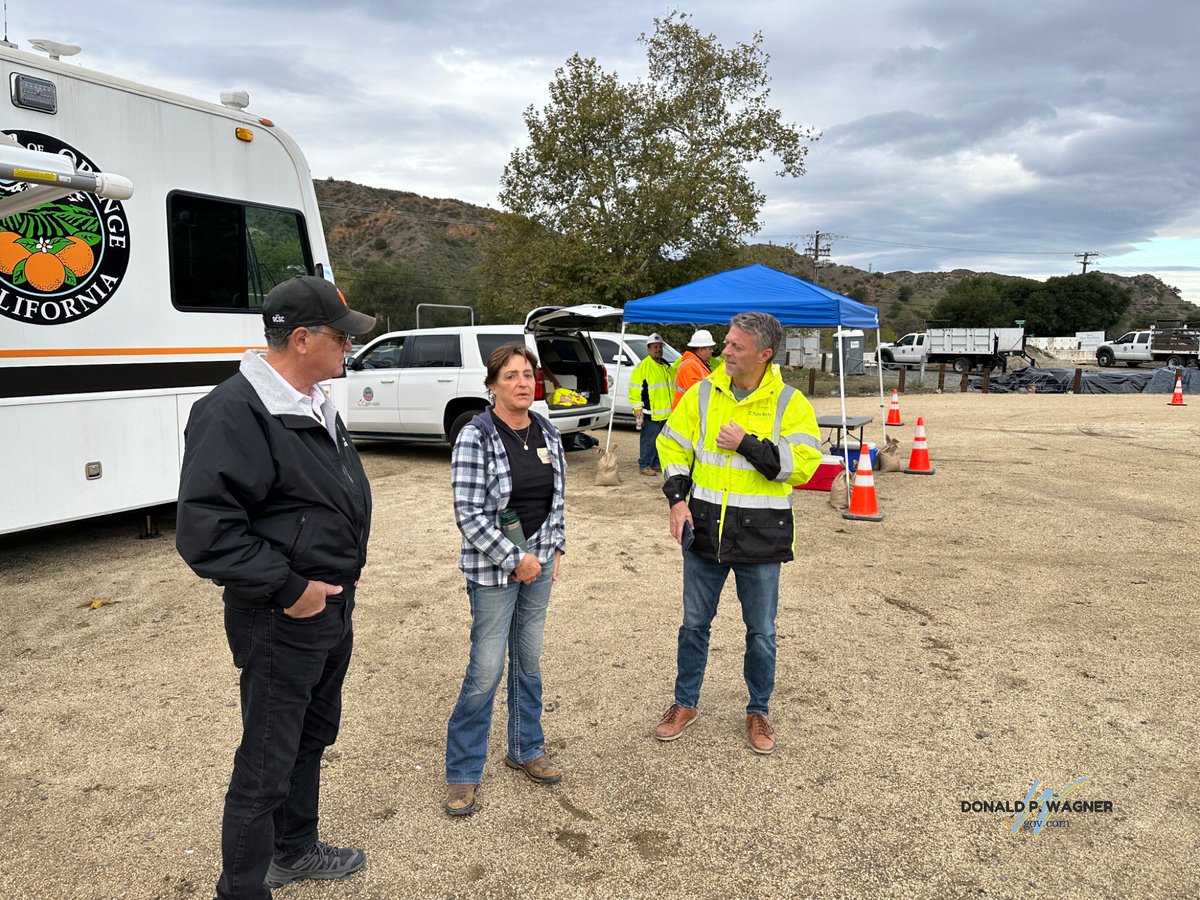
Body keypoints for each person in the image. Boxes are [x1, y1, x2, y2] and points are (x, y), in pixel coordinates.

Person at [176, 275, 375, 900]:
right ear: (302, 338)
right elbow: (207, 532)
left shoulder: (312, 400)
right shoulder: (234, 410)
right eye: (341, 337)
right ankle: (241, 889)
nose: (349, 347)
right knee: (265, 762)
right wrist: (291, 588)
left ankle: (294, 850)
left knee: (311, 736)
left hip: (329, 606)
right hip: (281, 615)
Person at [654, 312, 823, 755]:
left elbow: (804, 466)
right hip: (705, 531)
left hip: (762, 536)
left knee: (761, 632)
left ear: (764, 354)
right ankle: (685, 703)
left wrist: (747, 443)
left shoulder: (790, 403)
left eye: (735, 346)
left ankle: (758, 710)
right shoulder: (702, 393)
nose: (724, 351)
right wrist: (676, 499)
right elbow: (672, 445)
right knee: (694, 624)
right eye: (726, 343)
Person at [445, 342, 568, 817]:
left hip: (540, 563)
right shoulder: (476, 436)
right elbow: (469, 514)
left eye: (528, 375)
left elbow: (556, 500)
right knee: (486, 669)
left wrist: (555, 548)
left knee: (529, 660)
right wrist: (515, 559)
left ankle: (525, 747)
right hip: (494, 569)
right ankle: (463, 770)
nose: (522, 383)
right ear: (492, 385)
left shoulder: (546, 430)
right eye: (511, 375)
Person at [627, 333, 674, 475]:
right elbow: (635, 388)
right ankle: (645, 465)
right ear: (648, 349)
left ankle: (655, 463)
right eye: (655, 347)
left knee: (660, 440)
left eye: (660, 347)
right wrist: (637, 407)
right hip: (650, 412)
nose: (658, 350)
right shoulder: (643, 366)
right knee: (648, 440)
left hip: (665, 412)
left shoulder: (665, 366)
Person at [672, 328, 717, 409]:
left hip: (689, 411)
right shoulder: (690, 366)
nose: (712, 351)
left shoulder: (696, 364)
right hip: (686, 412)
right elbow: (698, 393)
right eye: (710, 348)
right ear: (701, 350)